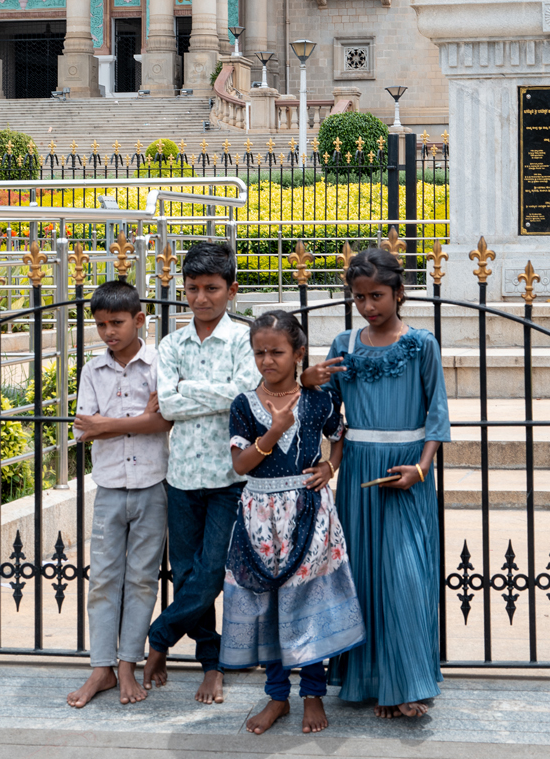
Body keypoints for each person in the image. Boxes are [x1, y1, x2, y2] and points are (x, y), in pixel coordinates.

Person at [302, 246, 450, 720]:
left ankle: (407, 684)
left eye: (378, 295)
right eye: (360, 297)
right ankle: (373, 682)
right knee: (362, 577)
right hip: (360, 473)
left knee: (406, 576)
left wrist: (421, 469)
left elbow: (437, 416)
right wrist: (309, 381)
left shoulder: (422, 344)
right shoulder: (344, 345)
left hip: (408, 473)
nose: (369, 306)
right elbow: (326, 412)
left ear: (400, 293)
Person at [221, 310, 365, 736]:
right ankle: (277, 696)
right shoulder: (244, 405)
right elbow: (240, 465)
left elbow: (339, 435)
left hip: (309, 513)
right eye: (259, 352)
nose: (268, 360)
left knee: (308, 602)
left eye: (277, 352)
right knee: (267, 606)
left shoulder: (319, 400)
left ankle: (314, 695)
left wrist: (330, 466)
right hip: (259, 519)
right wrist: (271, 433)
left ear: (299, 353)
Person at [144, 240, 258, 704]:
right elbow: (168, 403)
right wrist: (209, 394)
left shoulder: (245, 341)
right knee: (189, 573)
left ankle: (157, 639)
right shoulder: (171, 345)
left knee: (212, 574)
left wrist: (191, 391)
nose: (201, 298)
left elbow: (245, 397)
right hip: (182, 478)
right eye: (192, 289)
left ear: (231, 290)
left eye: (212, 288)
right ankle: (211, 663)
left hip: (229, 478)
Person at [67, 279, 172, 707]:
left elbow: (164, 421)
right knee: (104, 579)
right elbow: (82, 428)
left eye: (117, 322)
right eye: (101, 324)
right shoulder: (93, 370)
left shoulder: (160, 365)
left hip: (153, 484)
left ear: (139, 320)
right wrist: (135, 421)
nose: (109, 331)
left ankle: (128, 664)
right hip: (109, 486)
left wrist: (105, 424)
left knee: (143, 579)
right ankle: (100, 669)